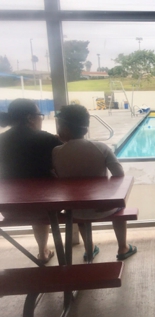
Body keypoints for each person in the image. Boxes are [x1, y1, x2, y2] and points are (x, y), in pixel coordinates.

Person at [52, 104, 137, 261]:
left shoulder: (56, 152)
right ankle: (122, 247)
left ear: (64, 128)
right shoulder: (101, 147)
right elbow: (119, 174)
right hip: (102, 207)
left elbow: (56, 177)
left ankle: (89, 248)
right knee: (120, 207)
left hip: (74, 210)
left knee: (81, 211)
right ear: (85, 128)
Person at [0, 98, 62, 263]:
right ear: (30, 118)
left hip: (9, 209)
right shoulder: (47, 139)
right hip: (48, 207)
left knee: (34, 200)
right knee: (42, 200)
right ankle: (44, 252)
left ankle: (43, 251)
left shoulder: (2, 140)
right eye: (39, 114)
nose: (41, 118)